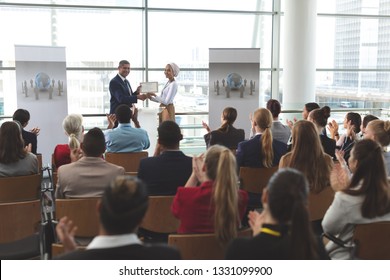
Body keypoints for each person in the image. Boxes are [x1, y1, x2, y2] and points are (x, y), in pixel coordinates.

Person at [55, 175, 181, 260]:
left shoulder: (64, 265)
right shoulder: (168, 257)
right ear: (143, 218)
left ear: (99, 208)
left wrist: (72, 257)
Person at [226, 168, 327, 260]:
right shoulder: (316, 248)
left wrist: (259, 238)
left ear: (264, 196)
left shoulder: (238, 250)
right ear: (304, 204)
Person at [322, 139, 390, 260]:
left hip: (351, 256)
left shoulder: (346, 198)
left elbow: (328, 228)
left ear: (356, 163)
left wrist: (338, 192)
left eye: (351, 155)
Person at [171, 145, 248, 245]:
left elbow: (175, 212)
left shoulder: (186, 195)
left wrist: (194, 175)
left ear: (204, 167)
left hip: (190, 255)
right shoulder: (240, 197)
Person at [55, 127, 125, 198]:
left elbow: (58, 202)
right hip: (104, 209)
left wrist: (73, 163)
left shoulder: (63, 172)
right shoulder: (118, 172)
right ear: (104, 149)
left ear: (81, 146)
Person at [138, 121, 192, 196]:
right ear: (181, 137)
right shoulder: (193, 164)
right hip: (183, 207)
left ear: (159, 142)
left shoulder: (145, 164)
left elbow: (140, 193)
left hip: (154, 208)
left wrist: (155, 154)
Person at [279, 120, 333, 194]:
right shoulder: (327, 160)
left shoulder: (286, 160)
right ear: (315, 136)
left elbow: (281, 188)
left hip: (296, 204)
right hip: (322, 204)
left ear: (294, 138)